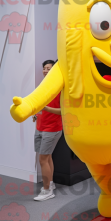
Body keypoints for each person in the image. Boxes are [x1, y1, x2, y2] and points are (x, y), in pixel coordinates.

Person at [33, 60, 62, 201]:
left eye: (48, 68)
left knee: (43, 159)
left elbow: (65, 111)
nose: (45, 70)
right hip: (40, 126)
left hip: (52, 128)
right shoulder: (42, 85)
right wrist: (36, 113)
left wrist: (46, 109)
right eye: (44, 68)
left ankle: (46, 191)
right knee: (47, 157)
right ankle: (50, 184)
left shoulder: (59, 88)